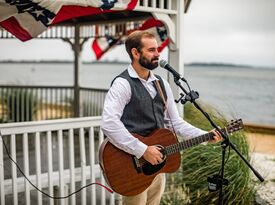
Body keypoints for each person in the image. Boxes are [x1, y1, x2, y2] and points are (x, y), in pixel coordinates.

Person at [100, 30, 221, 205]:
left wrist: (205, 135)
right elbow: (109, 123)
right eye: (151, 50)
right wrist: (142, 150)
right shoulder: (122, 84)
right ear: (135, 53)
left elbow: (175, 123)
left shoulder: (162, 84)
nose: (158, 54)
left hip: (157, 164)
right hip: (132, 165)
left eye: (157, 49)